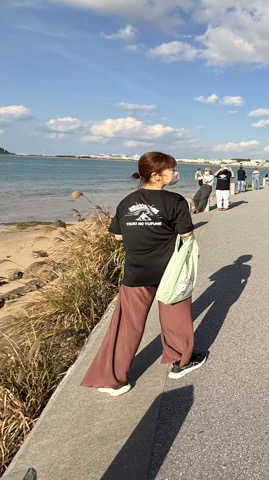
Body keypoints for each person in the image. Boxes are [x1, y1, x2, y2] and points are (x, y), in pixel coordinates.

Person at [81, 152, 206, 396]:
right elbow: (187, 235)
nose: (175, 173)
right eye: (171, 169)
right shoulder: (175, 201)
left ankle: (112, 379)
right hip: (170, 270)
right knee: (175, 316)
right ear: (156, 175)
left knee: (127, 325)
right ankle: (180, 361)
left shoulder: (127, 201)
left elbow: (117, 235)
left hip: (136, 270)